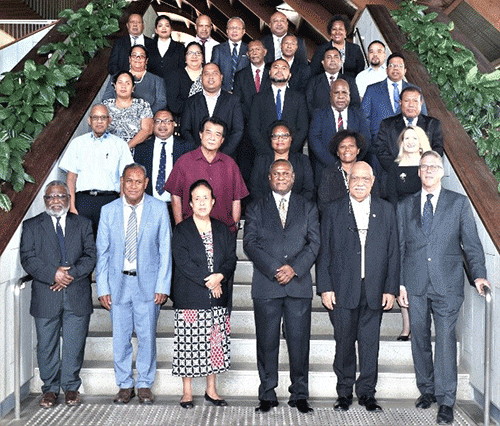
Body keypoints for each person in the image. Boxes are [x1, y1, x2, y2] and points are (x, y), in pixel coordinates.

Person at [397, 151, 490, 425]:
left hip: (447, 284)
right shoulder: (405, 205)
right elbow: (400, 248)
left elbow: (471, 244)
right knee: (419, 339)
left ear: (442, 171)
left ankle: (446, 400)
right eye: (424, 166)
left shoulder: (459, 203)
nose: (428, 170)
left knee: (446, 340)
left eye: (433, 166)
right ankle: (426, 390)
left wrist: (479, 276)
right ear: (418, 172)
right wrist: (400, 282)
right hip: (414, 283)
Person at [317, 161, 399, 413]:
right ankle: (344, 393)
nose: (360, 183)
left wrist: (390, 288)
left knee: (369, 343)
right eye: (355, 179)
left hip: (374, 289)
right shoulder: (333, 210)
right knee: (343, 342)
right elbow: (324, 252)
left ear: (373, 181)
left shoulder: (386, 210)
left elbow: (393, 252)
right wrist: (325, 287)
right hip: (342, 289)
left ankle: (367, 393)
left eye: (365, 179)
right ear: (348, 182)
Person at [244, 159, 320, 414]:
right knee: (267, 343)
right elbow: (250, 243)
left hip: (298, 286)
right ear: (269, 178)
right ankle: (267, 394)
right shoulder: (256, 207)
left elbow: (314, 244)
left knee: (299, 343)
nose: (281, 177)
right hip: (267, 285)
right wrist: (276, 269)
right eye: (276, 173)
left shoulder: (308, 207)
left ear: (293, 176)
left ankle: (300, 394)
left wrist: (294, 268)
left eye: (285, 173)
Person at [96, 163, 172, 405]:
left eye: (138, 181)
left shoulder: (159, 209)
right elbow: (103, 253)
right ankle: (125, 384)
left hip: (148, 285)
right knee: (120, 337)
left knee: (147, 335)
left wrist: (163, 285)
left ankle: (144, 384)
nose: (133, 186)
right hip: (118, 283)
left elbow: (165, 250)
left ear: (146, 183)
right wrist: (103, 288)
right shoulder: (108, 211)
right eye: (129, 181)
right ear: (122, 182)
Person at [20, 181, 96, 407]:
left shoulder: (83, 224)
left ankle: (71, 387)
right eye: (50, 197)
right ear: (45, 201)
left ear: (69, 198)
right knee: (46, 344)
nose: (55, 201)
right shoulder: (32, 225)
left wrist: (68, 274)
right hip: (46, 293)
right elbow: (28, 258)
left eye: (60, 196)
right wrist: (53, 274)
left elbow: (90, 256)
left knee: (74, 343)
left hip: (76, 293)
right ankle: (50, 389)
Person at [171, 180, 237, 408]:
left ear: (213, 201)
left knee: (214, 345)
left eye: (205, 198)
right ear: (189, 203)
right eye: (196, 198)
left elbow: (231, 259)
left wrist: (221, 276)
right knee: (188, 345)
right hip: (190, 295)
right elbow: (183, 262)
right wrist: (211, 280)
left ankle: (211, 390)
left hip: (218, 297)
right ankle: (187, 392)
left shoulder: (222, 229)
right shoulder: (182, 230)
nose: (201, 202)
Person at [165, 116, 249, 235]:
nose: (212, 138)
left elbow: (236, 200)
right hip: (191, 232)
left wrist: (234, 228)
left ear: (222, 140)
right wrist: (180, 228)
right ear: (200, 134)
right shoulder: (184, 161)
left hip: (224, 233)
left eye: (217, 134)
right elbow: (175, 196)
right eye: (208, 132)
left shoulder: (230, 164)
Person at [59, 104, 133, 237]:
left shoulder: (120, 144)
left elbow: (125, 177)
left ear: (109, 120)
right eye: (96, 118)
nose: (99, 121)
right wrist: (72, 206)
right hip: (83, 202)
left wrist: (122, 206)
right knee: (83, 246)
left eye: (103, 118)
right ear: (89, 120)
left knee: (108, 244)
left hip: (110, 201)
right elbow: (71, 178)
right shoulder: (78, 143)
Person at [385, 126, 431, 341]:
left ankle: (421, 326)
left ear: (421, 141)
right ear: (401, 142)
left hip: (425, 225)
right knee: (402, 272)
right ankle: (406, 327)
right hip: (401, 224)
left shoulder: (428, 165)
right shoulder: (395, 168)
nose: (410, 141)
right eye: (406, 138)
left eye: (415, 137)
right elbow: (391, 197)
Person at [308, 79, 370, 186]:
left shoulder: (358, 114)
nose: (341, 96)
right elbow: (314, 140)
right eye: (337, 92)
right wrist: (336, 164)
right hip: (325, 170)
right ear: (330, 95)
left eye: (344, 92)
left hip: (354, 171)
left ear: (350, 95)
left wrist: (351, 162)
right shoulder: (319, 114)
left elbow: (366, 140)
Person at [362, 52, 427, 144]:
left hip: (408, 145)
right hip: (378, 145)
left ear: (405, 70)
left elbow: (423, 118)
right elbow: (364, 118)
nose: (396, 68)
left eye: (400, 66)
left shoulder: (415, 90)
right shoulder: (372, 90)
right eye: (392, 65)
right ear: (386, 70)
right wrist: (370, 141)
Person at [180, 63, 244, 157]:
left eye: (214, 73)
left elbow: (238, 130)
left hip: (225, 157)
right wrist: (199, 152)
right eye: (206, 74)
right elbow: (185, 130)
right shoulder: (191, 102)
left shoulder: (233, 101)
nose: (210, 77)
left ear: (221, 77)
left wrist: (222, 154)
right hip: (197, 157)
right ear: (201, 77)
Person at [376, 86, 443, 172]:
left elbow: (438, 150)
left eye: (415, 101)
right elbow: (381, 151)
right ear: (400, 103)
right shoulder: (387, 124)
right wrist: (400, 169)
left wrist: (423, 167)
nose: (411, 105)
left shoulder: (433, 124)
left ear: (421, 103)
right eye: (407, 101)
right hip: (395, 173)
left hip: (424, 173)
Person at [133, 110, 194, 204]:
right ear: (152, 124)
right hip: (149, 205)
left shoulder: (186, 148)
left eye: (167, 121)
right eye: (158, 121)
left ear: (174, 124)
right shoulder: (141, 149)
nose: (162, 125)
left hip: (178, 206)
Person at [249, 59, 309, 155]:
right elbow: (253, 128)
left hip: (293, 154)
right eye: (276, 67)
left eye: (284, 68)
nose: (279, 70)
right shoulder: (258, 98)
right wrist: (267, 152)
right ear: (269, 73)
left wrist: (288, 151)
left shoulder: (299, 98)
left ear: (289, 75)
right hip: (264, 154)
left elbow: (303, 128)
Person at [233, 40, 270, 182]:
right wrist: (254, 118)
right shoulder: (240, 76)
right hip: (247, 130)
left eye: (258, 49)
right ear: (247, 54)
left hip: (268, 129)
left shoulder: (272, 73)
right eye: (251, 50)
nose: (254, 52)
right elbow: (238, 102)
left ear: (264, 52)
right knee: (247, 170)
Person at [317, 130, 379, 214]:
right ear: (337, 152)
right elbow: (323, 206)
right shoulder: (328, 174)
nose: (347, 150)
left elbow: (376, 201)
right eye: (342, 146)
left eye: (351, 146)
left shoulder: (368, 171)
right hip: (336, 220)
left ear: (358, 150)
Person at [250, 121, 313, 201]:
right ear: (271, 139)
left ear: (291, 138)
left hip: (297, 208)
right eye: (276, 136)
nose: (280, 139)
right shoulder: (261, 160)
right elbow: (254, 189)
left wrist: (291, 206)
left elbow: (308, 189)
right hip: (266, 208)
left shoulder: (302, 160)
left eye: (284, 136)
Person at [102, 45, 167, 115]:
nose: (137, 58)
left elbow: (161, 102)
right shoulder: (116, 77)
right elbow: (106, 98)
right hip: (118, 117)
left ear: (146, 60)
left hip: (147, 119)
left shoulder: (157, 80)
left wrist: (145, 114)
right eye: (134, 55)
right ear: (129, 59)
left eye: (141, 56)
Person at [102, 71, 153, 149]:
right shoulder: (105, 106)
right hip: (108, 150)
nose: (123, 86)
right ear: (115, 86)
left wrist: (125, 148)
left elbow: (147, 130)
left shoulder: (142, 105)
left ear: (133, 88)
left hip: (135, 151)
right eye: (120, 82)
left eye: (127, 83)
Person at [305, 47, 360, 115]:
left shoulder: (350, 81)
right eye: (329, 57)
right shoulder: (313, 81)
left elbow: (355, 104)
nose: (332, 60)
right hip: (319, 122)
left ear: (341, 61)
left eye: (336, 57)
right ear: (323, 62)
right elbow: (308, 105)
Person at [167, 42, 204, 123]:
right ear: (185, 58)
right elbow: (173, 104)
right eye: (190, 53)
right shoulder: (175, 75)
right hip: (182, 120)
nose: (194, 56)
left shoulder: (208, 74)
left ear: (203, 58)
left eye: (198, 53)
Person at [211, 17, 249, 92]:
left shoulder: (249, 49)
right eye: (231, 28)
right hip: (222, 93)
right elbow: (213, 71)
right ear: (227, 31)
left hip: (244, 93)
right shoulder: (218, 49)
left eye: (237, 28)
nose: (234, 31)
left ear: (243, 31)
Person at [148, 15, 185, 81]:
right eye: (160, 26)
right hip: (153, 86)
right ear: (156, 30)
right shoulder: (149, 47)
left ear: (171, 29)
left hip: (173, 86)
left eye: (167, 26)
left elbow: (182, 69)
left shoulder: (180, 48)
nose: (164, 28)